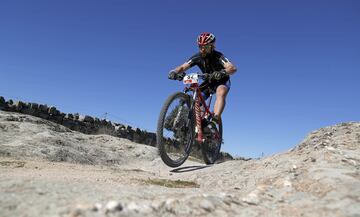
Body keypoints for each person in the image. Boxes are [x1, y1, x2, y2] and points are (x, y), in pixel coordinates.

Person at [168, 32, 237, 126]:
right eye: (200, 46)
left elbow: (232, 68)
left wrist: (222, 72)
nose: (202, 49)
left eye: (206, 47)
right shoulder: (197, 57)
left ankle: (214, 119)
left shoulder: (218, 56)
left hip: (222, 81)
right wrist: (174, 72)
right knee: (196, 101)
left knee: (220, 92)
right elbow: (182, 67)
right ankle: (200, 125)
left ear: (212, 47)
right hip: (208, 82)